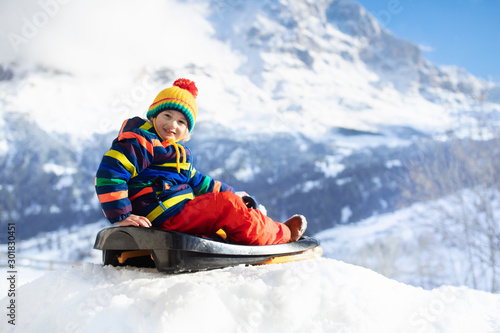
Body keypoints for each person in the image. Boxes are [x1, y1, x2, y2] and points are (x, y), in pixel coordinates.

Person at [95, 78, 306, 245]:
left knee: (228, 205)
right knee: (226, 207)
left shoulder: (177, 153)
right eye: (167, 115)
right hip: (163, 215)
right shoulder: (141, 141)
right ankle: (283, 235)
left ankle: (254, 227)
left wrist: (232, 192)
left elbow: (199, 182)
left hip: (177, 211)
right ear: (153, 116)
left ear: (187, 131)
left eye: (181, 122)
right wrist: (121, 215)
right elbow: (110, 172)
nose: (172, 125)